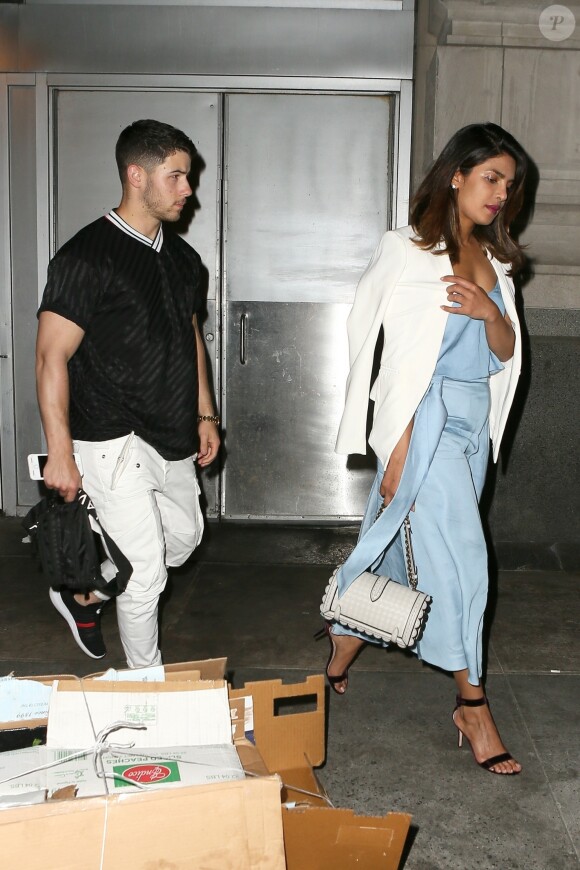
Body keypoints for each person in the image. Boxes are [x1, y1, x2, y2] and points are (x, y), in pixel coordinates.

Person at [325, 123, 529, 775]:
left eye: (509, 184)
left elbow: (506, 352)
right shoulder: (407, 249)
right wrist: (395, 440)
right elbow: (369, 339)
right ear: (456, 175)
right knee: (464, 556)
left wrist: (487, 313)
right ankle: (472, 704)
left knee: (409, 546)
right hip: (425, 418)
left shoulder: (496, 262)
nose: (502, 193)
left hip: (472, 422)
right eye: (492, 178)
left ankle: (344, 638)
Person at [35, 119, 220, 669]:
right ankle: (149, 696)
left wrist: (205, 412)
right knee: (145, 576)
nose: (188, 189)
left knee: (182, 542)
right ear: (136, 176)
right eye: (177, 176)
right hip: (109, 435)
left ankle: (85, 593)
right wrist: (61, 452)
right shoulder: (86, 257)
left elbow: (190, 338)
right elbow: (51, 356)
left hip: (171, 433)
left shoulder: (184, 261)